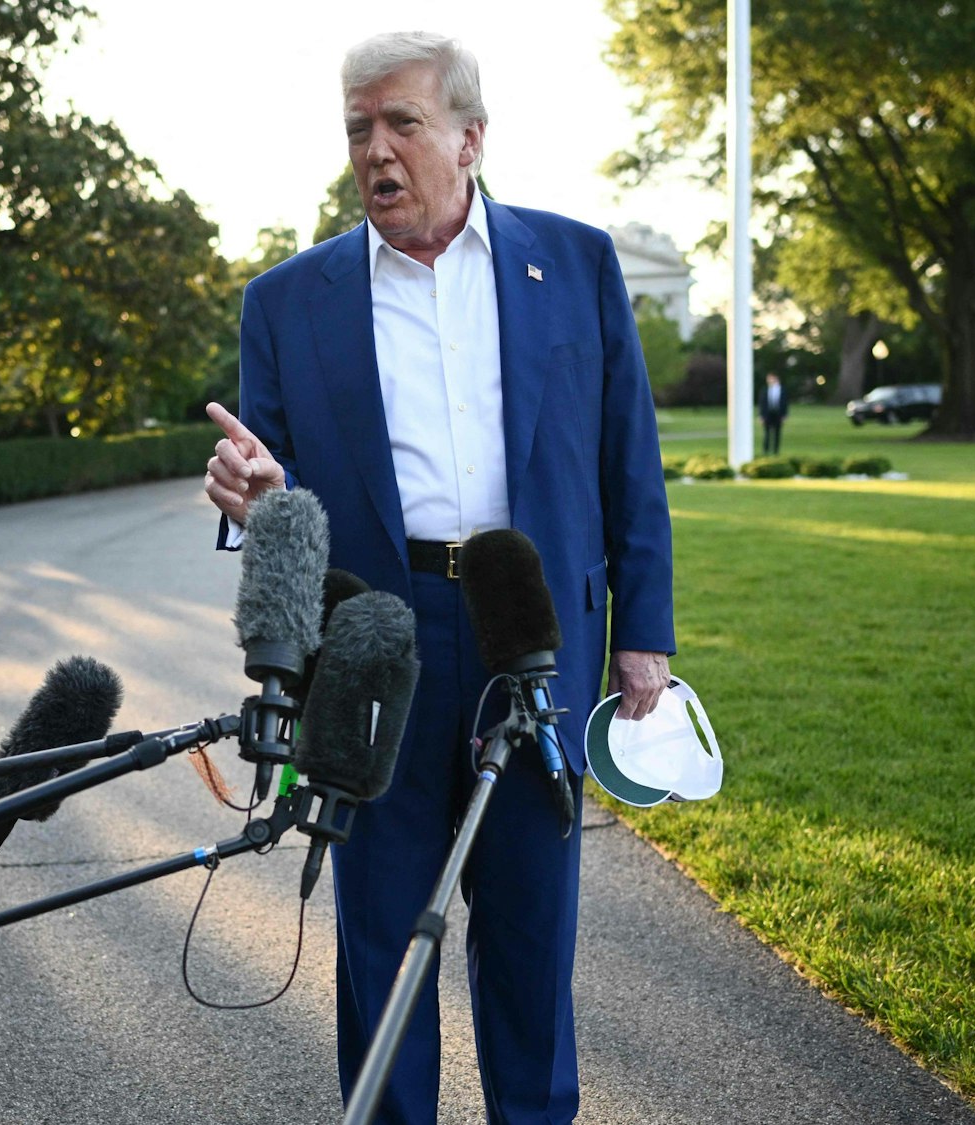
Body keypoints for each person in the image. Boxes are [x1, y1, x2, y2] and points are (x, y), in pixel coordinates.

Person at [201, 31, 674, 1125]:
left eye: (401, 123)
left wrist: (643, 630)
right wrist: (258, 498)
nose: (376, 149)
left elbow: (628, 461)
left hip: (532, 629)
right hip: (373, 640)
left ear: (469, 139)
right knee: (380, 933)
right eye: (357, 129)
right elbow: (271, 483)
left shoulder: (577, 263)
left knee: (529, 931)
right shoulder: (285, 300)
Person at [760, 371, 788, 455]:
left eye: (771, 378)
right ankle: (766, 450)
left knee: (777, 434)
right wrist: (761, 416)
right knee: (767, 433)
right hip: (768, 414)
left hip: (778, 414)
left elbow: (785, 403)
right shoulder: (765, 390)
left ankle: (776, 451)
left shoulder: (782, 390)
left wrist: (784, 415)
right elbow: (762, 404)